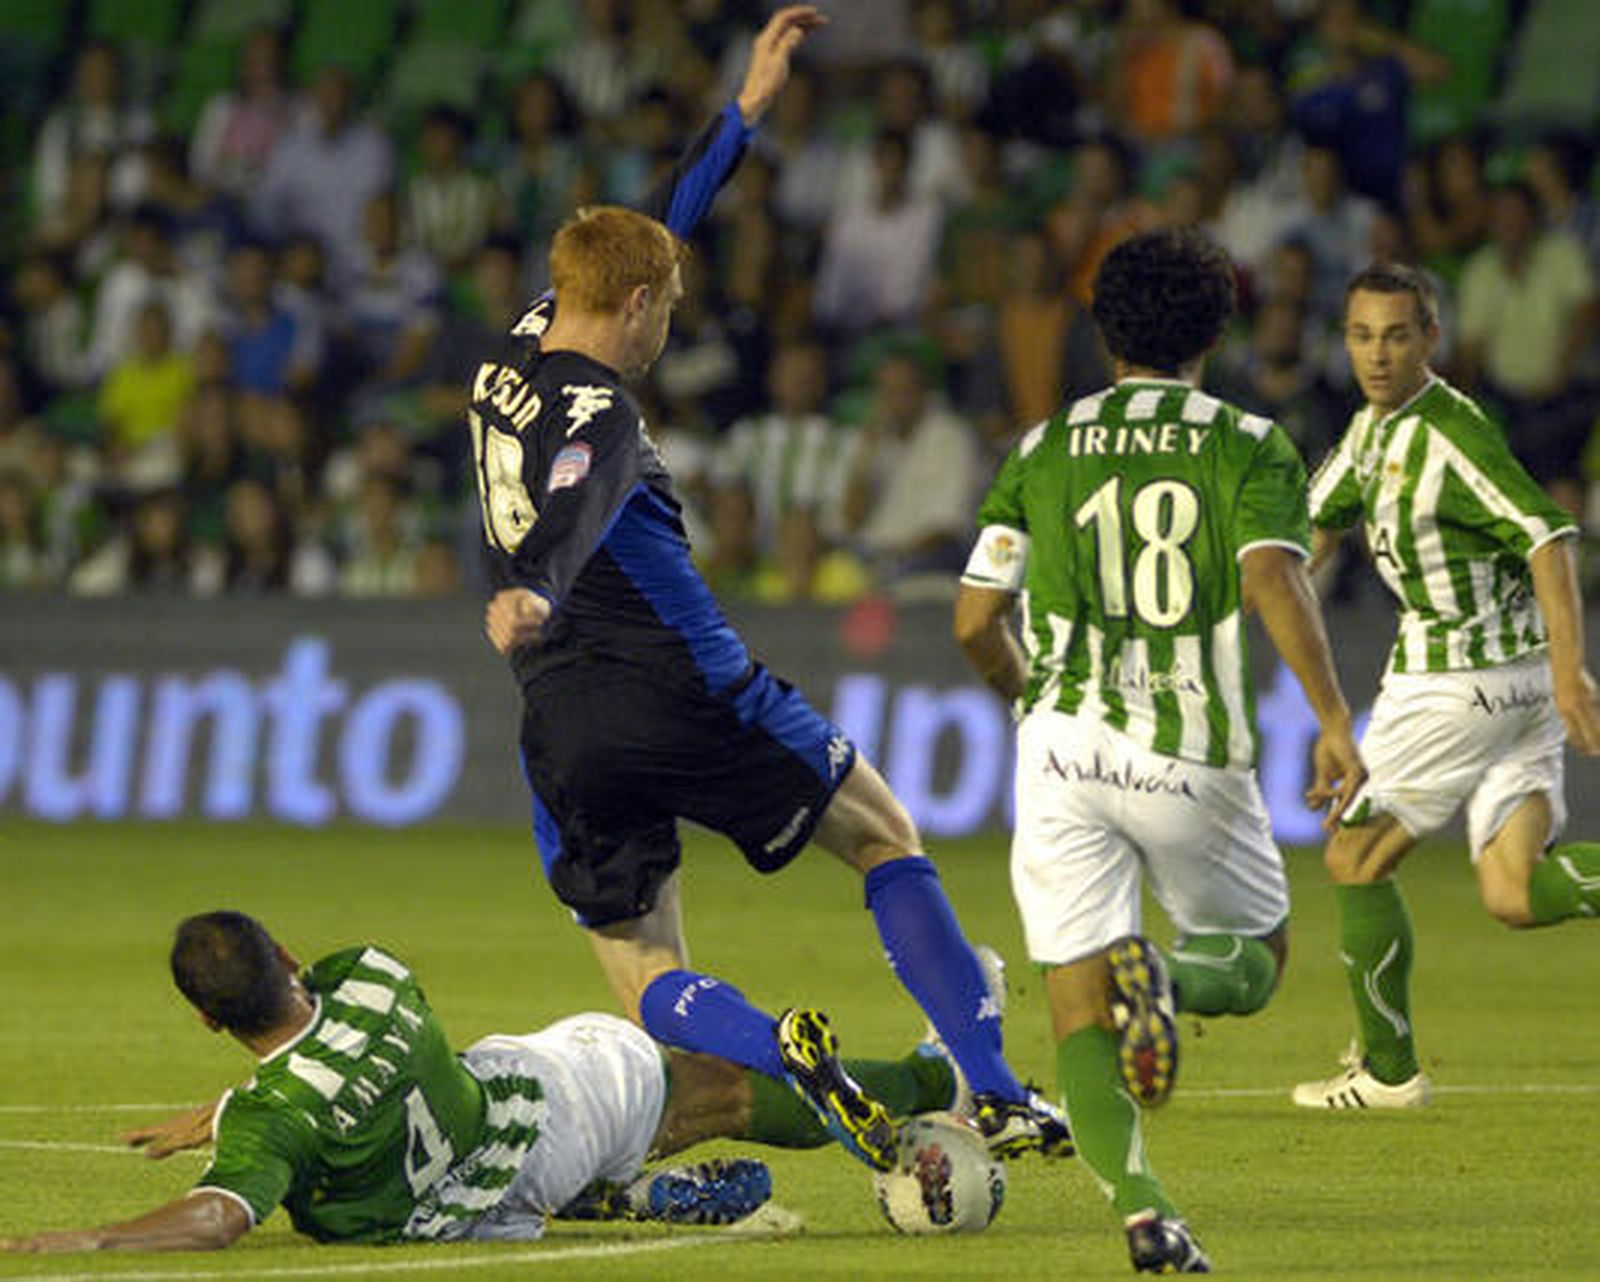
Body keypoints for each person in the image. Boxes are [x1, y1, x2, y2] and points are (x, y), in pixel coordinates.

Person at [474, 4, 1068, 1172]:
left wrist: (743, 112)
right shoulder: (605, 410)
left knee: (647, 972)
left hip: (562, 718)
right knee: (887, 838)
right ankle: (993, 1088)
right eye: (668, 303)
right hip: (693, 690)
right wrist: (537, 579)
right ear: (638, 308)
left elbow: (655, 230)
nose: (671, 315)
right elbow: (584, 487)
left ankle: (777, 1048)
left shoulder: (516, 343)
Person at [953, 228, 1365, 1273]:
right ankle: (1172, 979)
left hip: (1060, 751)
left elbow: (971, 619)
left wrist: (1026, 699)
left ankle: (1144, 1212)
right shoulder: (1250, 445)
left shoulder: (1040, 449)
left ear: (1100, 330)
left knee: (1075, 1007)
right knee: (1257, 961)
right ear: (1217, 329)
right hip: (1185, 757)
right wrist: (1329, 718)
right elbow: (1276, 576)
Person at [0, 911, 963, 1253]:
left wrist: (84, 1232)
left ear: (206, 1020)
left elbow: (220, 1213)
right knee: (715, 1085)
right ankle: (939, 1076)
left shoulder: (266, 1122)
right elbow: (338, 1057)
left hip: (464, 1205)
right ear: (291, 955)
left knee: (644, 1112)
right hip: (526, 1119)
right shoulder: (369, 975)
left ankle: (613, 1194)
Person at [1291, 263, 1600, 1110]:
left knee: (1354, 854)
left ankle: (1388, 1073)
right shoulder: (1371, 433)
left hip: (1464, 679)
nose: (1378, 355)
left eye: (1397, 335)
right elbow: (1305, 538)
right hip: (1515, 685)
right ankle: (1385, 1068)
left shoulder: (1453, 435)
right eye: (1361, 335)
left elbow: (1549, 538)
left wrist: (1574, 673)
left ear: (1432, 337)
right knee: (1514, 891)